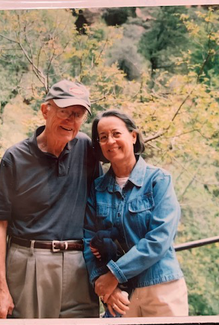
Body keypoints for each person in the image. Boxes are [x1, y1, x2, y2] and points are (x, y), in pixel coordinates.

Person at [0, 80, 101, 319]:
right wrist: (0, 289)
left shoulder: (87, 150)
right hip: (29, 263)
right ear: (45, 110)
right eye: (64, 112)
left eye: (78, 114)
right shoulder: (15, 157)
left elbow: (103, 208)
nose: (71, 121)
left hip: (79, 265)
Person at [83, 109, 188, 317]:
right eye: (103, 138)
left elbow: (160, 238)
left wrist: (114, 274)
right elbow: (88, 241)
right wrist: (103, 282)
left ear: (133, 136)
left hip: (161, 288)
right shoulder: (96, 189)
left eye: (116, 134)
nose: (110, 141)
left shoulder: (159, 180)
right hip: (120, 296)